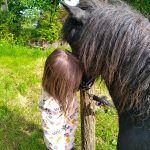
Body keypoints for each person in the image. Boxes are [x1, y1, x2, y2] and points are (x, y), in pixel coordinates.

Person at [39, 49, 83, 150]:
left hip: (68, 132)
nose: (76, 85)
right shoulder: (50, 105)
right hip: (59, 145)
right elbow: (51, 133)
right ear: (60, 84)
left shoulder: (61, 90)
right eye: (73, 83)